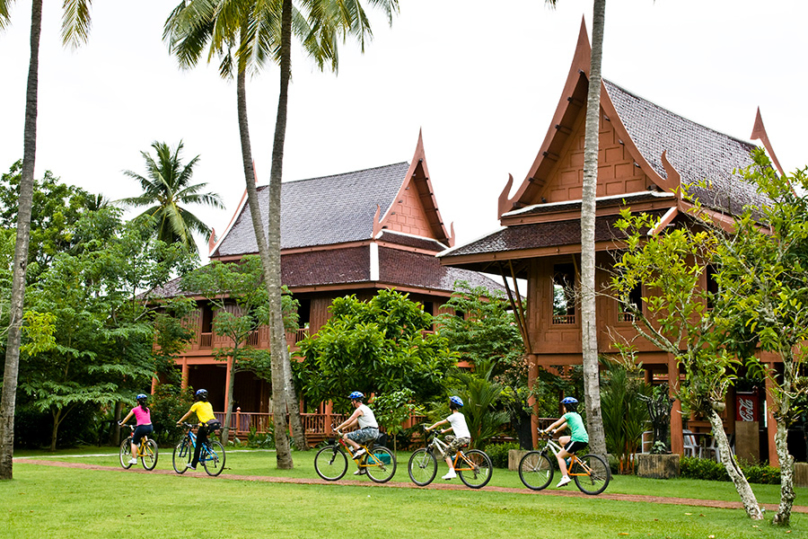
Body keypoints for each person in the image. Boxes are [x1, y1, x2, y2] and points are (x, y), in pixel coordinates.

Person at [541, 396, 589, 487]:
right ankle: (572, 458)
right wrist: (556, 431)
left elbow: (556, 423)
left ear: (567, 407)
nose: (563, 408)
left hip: (577, 439)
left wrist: (545, 431)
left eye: (564, 406)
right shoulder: (576, 415)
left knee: (559, 456)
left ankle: (565, 477)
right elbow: (565, 425)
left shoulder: (568, 415)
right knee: (561, 440)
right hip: (584, 439)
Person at [425, 396, 471, 480]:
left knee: (445, 452)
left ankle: (451, 472)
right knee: (447, 438)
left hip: (460, 439)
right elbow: (455, 426)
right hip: (467, 438)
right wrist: (444, 431)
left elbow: (439, 423)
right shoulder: (461, 415)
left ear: (452, 406)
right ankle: (456, 455)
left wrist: (429, 429)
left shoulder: (452, 416)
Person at [335, 392, 379, 476]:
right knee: (356, 447)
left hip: (368, 431)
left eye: (352, 400)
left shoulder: (359, 410)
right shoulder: (365, 408)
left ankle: (359, 450)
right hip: (373, 432)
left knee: (346, 437)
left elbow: (350, 420)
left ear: (355, 401)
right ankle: (362, 469)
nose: (351, 402)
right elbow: (355, 422)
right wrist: (344, 428)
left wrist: (337, 428)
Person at [176, 389, 221, 471]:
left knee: (198, 445)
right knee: (204, 438)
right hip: (212, 424)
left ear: (197, 397)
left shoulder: (196, 404)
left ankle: (193, 464)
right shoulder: (209, 404)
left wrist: (180, 421)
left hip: (204, 425)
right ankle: (209, 451)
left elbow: (188, 414)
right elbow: (206, 415)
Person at [119, 393, 153, 466]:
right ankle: (147, 443)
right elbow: (144, 419)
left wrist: (122, 423)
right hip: (150, 427)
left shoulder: (135, 409)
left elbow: (127, 418)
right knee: (143, 433)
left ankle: (134, 459)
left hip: (142, 427)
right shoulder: (147, 409)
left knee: (133, 442)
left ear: (138, 402)